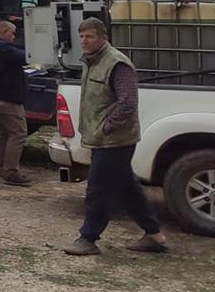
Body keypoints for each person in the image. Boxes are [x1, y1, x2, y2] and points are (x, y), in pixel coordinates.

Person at [65, 17, 169, 256]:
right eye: (81, 36)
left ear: (103, 38)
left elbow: (128, 102)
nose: (84, 41)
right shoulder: (91, 62)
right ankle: (154, 235)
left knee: (97, 188)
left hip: (116, 140)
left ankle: (88, 238)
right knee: (127, 188)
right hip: (102, 139)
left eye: (89, 36)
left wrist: (106, 127)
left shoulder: (116, 63)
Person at [0, 20, 33, 187]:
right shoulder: (2, 48)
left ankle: (2, 168)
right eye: (12, 33)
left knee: (4, 134)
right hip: (6, 99)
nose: (14, 36)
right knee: (18, 133)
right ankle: (11, 171)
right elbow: (26, 57)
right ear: (3, 32)